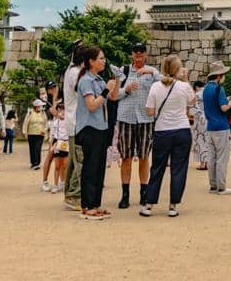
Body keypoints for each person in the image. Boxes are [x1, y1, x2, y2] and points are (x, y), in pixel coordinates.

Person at [139, 55, 196, 217]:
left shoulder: (156, 87)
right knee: (179, 168)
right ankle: (173, 206)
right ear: (178, 70)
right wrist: (186, 79)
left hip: (162, 131)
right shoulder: (183, 86)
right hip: (182, 129)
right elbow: (193, 102)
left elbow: (149, 111)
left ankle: (149, 204)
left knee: (157, 167)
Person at [111, 42, 159, 210]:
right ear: (131, 54)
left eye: (141, 52)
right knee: (126, 157)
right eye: (136, 52)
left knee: (145, 156)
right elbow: (114, 96)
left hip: (145, 119)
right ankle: (125, 194)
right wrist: (127, 90)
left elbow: (165, 84)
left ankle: (144, 193)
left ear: (146, 54)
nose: (138, 55)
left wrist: (152, 71)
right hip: (126, 118)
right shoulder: (123, 72)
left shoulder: (152, 72)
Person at [74, 46, 119, 220]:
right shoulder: (86, 80)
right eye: (101, 58)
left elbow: (113, 97)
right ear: (91, 61)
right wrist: (106, 89)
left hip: (101, 127)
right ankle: (87, 205)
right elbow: (92, 105)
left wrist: (117, 80)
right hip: (89, 128)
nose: (104, 61)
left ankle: (96, 204)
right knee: (91, 166)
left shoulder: (99, 79)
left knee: (100, 167)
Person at [201, 61, 231, 195]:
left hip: (210, 126)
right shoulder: (219, 88)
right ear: (219, 75)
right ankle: (222, 187)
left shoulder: (206, 89)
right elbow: (224, 108)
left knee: (211, 157)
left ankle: (213, 185)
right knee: (222, 158)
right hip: (221, 126)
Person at [61, 40, 84, 211]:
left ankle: (69, 192)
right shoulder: (76, 73)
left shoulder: (70, 70)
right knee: (80, 160)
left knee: (73, 160)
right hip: (77, 122)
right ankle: (75, 195)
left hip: (72, 121)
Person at [44, 100, 68, 192]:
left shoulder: (69, 122)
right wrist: (52, 146)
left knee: (65, 165)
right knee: (57, 165)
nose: (62, 112)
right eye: (60, 110)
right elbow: (53, 135)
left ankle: (64, 183)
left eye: (64, 110)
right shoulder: (54, 123)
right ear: (57, 111)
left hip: (66, 145)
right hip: (57, 144)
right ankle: (55, 185)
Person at [24, 99, 47, 170]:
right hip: (31, 134)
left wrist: (44, 130)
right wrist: (25, 132)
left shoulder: (43, 113)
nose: (41, 107)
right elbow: (26, 123)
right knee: (32, 148)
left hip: (40, 134)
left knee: (38, 148)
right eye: (39, 106)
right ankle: (33, 163)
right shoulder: (30, 113)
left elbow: (46, 123)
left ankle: (37, 164)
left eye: (41, 106)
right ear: (35, 106)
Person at [190, 80, 208, 171]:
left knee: (200, 140)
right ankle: (208, 162)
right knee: (207, 140)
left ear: (196, 87)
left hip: (200, 120)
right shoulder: (208, 91)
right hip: (209, 119)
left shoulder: (198, 94)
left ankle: (202, 163)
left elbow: (191, 104)